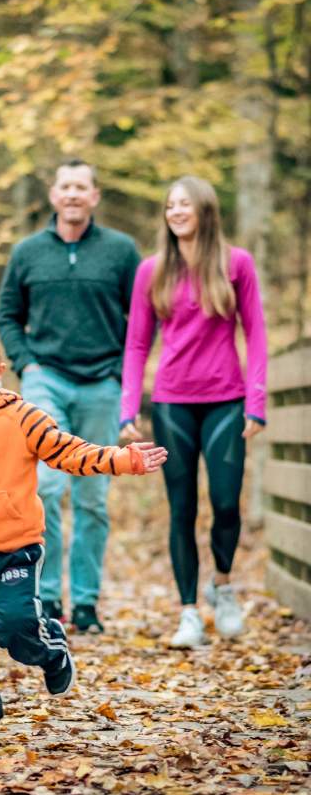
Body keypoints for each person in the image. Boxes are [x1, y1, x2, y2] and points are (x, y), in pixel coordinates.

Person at [0, 325, 167, 747]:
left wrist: (123, 460)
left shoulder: (24, 418)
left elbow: (68, 451)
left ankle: (51, 649)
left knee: (18, 627)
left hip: (15, 550)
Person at [119, 175, 267, 649]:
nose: (176, 211)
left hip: (227, 400)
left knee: (225, 504)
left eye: (184, 204)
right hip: (171, 404)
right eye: (169, 205)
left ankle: (222, 586)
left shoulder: (236, 263)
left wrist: (257, 402)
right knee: (181, 509)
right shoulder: (152, 270)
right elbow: (138, 342)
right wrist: (129, 409)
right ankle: (188, 614)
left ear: (204, 210)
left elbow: (257, 333)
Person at [0, 159, 141, 633]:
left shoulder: (121, 251)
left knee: (93, 496)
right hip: (47, 378)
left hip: (102, 382)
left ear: (94, 196)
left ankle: (86, 602)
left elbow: (139, 319)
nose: (74, 194)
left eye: (82, 187)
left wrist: (122, 373)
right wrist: (27, 364)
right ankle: (48, 596)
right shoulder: (28, 252)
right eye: (66, 187)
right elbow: (7, 314)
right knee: (47, 487)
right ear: (54, 195)